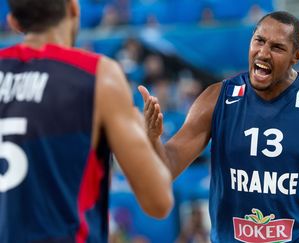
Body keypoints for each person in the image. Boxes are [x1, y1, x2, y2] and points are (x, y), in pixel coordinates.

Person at [139, 11, 299, 242]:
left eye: (277, 47)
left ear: (296, 56)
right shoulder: (217, 98)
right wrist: (152, 140)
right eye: (259, 41)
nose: (263, 53)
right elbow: (167, 168)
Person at [0, 0, 173, 242]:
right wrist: (138, 127)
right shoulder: (98, 74)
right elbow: (159, 201)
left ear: (14, 23)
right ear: (73, 9)